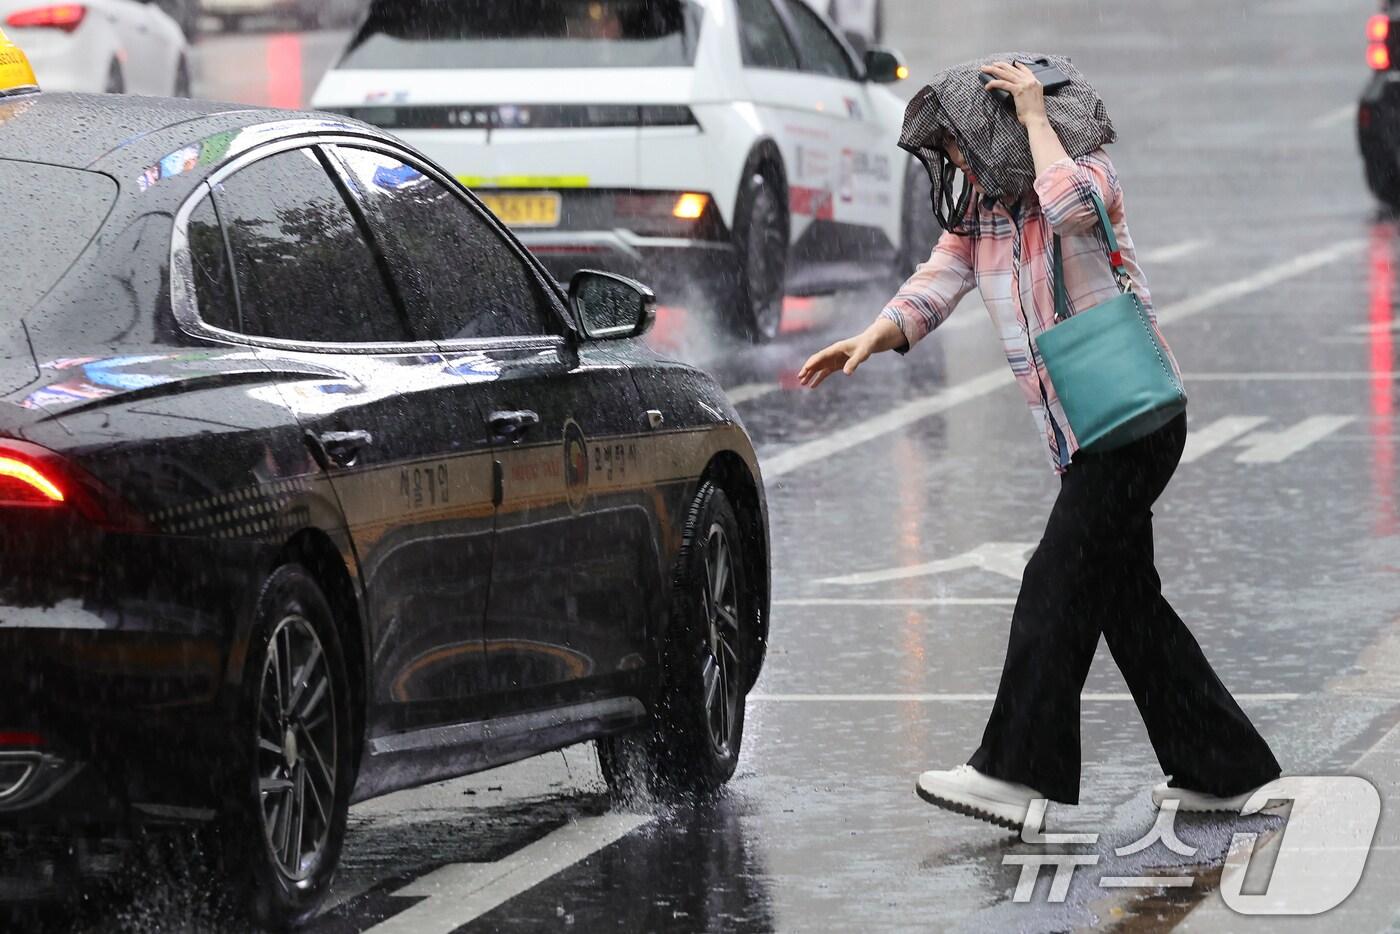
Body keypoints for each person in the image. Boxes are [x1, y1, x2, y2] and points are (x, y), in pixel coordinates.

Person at [797, 57, 1282, 829]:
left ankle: (1018, 770)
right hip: (1084, 436)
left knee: (1053, 583)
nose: (958, 164)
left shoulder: (1085, 171)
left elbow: (1070, 208)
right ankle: (1223, 766)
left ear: (995, 136)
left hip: (1134, 425)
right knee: (1129, 605)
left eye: (962, 147)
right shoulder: (984, 213)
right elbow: (938, 277)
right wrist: (874, 335)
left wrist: (1032, 117)